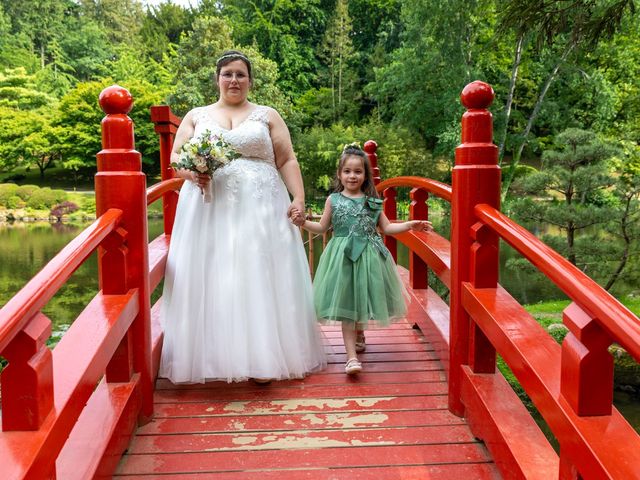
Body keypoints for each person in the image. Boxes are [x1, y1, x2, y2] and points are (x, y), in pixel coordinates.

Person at [159, 50, 326, 384]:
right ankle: (215, 358)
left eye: (240, 74)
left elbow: (287, 159)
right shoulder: (197, 116)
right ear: (217, 78)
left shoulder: (267, 115)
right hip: (209, 208)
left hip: (262, 208)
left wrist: (299, 196)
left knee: (259, 273)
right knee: (216, 273)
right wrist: (193, 174)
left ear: (250, 80)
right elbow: (176, 160)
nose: (234, 80)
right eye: (227, 74)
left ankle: (264, 358)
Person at [291, 144, 432, 375]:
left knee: (362, 299)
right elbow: (322, 227)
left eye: (358, 171)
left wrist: (410, 224)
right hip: (342, 257)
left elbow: (386, 228)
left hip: (369, 257)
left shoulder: (372, 202)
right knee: (348, 304)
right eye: (347, 171)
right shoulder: (333, 200)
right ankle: (351, 358)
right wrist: (302, 223)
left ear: (365, 175)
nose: (352, 176)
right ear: (339, 174)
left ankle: (359, 332)